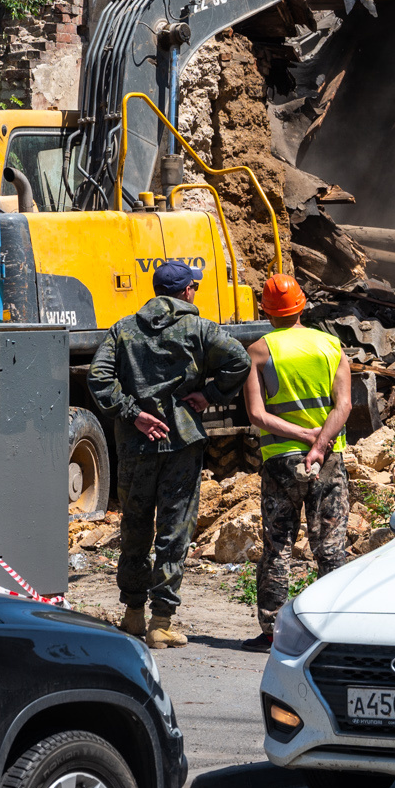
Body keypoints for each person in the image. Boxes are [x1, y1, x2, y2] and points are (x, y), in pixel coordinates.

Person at [90, 259, 251, 647]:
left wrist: (135, 414)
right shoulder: (199, 328)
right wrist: (209, 395)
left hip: (136, 446)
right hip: (182, 444)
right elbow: (239, 360)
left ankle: (132, 614)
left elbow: (99, 377)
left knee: (135, 528)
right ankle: (161, 622)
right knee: (173, 532)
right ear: (187, 291)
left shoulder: (123, 329)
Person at [239, 272, 353, 652]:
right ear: (302, 305)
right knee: (331, 548)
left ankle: (272, 632)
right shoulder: (332, 346)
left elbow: (256, 415)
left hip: (279, 463)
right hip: (328, 461)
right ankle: (333, 631)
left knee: (278, 546)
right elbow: (345, 406)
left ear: (266, 312)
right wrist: (319, 444)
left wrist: (302, 438)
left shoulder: (258, 351)